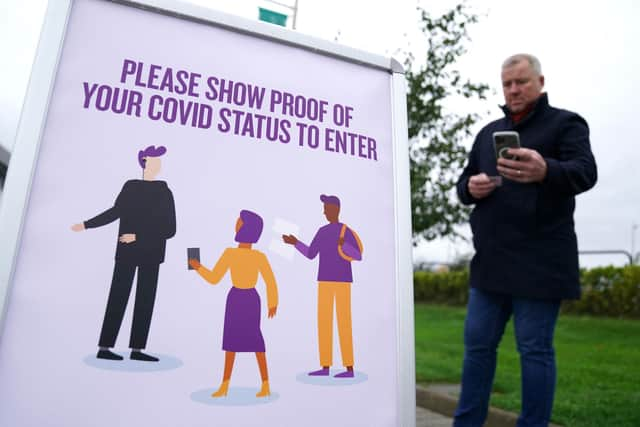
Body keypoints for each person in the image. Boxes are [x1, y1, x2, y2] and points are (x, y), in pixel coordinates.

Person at [453, 54, 597, 427]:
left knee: (534, 352)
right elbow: (462, 184)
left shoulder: (566, 124)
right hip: (491, 264)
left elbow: (586, 173)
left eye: (521, 82)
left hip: (541, 264)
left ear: (540, 81)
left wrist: (546, 169)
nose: (513, 90)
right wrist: (471, 187)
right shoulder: (488, 133)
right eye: (507, 84)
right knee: (477, 350)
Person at [72, 145, 176, 362]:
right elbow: (115, 212)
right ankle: (105, 346)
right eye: (154, 159)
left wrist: (138, 236)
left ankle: (137, 349)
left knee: (145, 300)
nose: (158, 163)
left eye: (159, 160)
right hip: (127, 252)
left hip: (151, 253)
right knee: (118, 297)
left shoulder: (165, 192)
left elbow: (169, 228)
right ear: (144, 162)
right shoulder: (130, 187)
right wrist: (87, 224)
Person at [189, 210, 278, 398]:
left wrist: (273, 303)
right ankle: (225, 385)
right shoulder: (230, 254)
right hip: (235, 299)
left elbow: (270, 281)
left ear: (246, 228)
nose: (236, 224)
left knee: (256, 341)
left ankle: (265, 384)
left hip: (251, 300)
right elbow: (214, 278)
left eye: (239, 222)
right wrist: (198, 267)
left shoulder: (258, 257)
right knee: (230, 341)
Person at [282, 194, 363, 378]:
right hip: (324, 280)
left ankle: (349, 368)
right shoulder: (322, 231)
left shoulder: (345, 231)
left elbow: (358, 255)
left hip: (342, 281)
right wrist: (295, 243)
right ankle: (325, 366)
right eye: (324, 208)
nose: (324, 211)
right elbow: (311, 254)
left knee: (344, 323)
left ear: (336, 209)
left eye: (326, 208)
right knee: (324, 322)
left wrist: (345, 246)